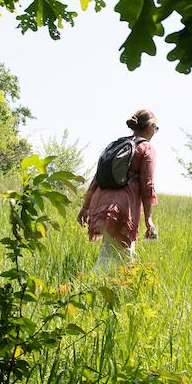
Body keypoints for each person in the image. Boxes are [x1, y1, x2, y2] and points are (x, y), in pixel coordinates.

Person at [77, 109, 159, 270]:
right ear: (150, 127)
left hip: (100, 205)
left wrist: (85, 207)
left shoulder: (119, 144)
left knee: (113, 255)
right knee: (121, 258)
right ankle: (89, 288)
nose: (155, 133)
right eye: (156, 129)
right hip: (121, 208)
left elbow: (97, 177)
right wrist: (148, 219)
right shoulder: (147, 148)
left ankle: (110, 289)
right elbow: (147, 184)